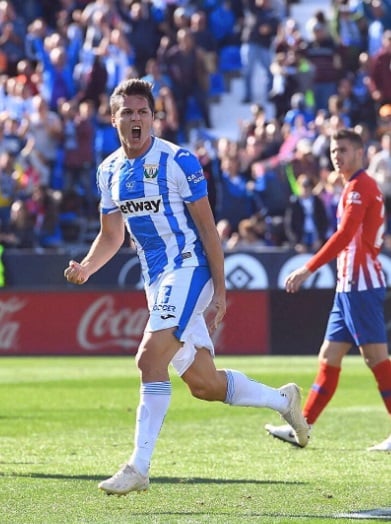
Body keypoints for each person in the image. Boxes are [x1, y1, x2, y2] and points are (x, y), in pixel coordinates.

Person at [63, 78, 309, 496]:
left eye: (143, 111)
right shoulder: (108, 171)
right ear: (114, 118)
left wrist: (222, 288)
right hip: (157, 282)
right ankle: (283, 400)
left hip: (191, 269)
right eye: (128, 112)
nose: (136, 118)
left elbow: (208, 227)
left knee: (148, 358)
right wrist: (87, 267)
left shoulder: (178, 161)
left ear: (154, 117)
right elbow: (111, 236)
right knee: (204, 384)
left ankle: (138, 467)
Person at [265, 128, 391, 452]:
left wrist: (308, 268)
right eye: (334, 151)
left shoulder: (360, 187)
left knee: (376, 359)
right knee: (329, 356)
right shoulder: (353, 186)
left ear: (360, 153)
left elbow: (347, 235)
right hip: (347, 286)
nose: (337, 156)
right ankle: (302, 427)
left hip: (360, 286)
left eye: (344, 150)